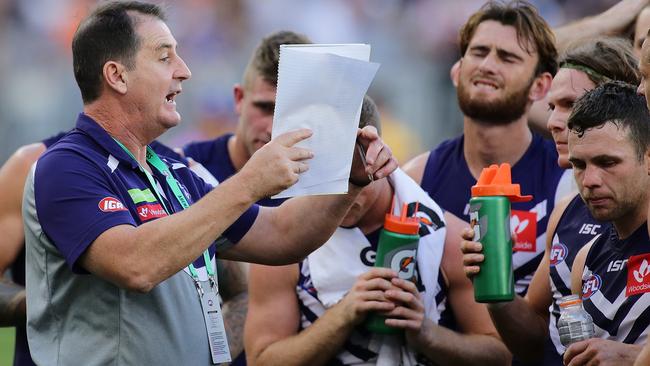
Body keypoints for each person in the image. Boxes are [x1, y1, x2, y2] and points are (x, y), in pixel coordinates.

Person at [22, 2, 397, 365]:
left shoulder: (174, 169)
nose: (184, 71)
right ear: (117, 75)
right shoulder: (65, 166)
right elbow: (136, 265)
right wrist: (249, 183)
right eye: (165, 57)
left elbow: (284, 234)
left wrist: (350, 180)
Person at [244, 96, 511, 366]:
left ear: (377, 158)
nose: (338, 194)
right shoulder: (283, 241)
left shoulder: (445, 236)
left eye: (350, 176)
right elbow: (261, 360)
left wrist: (427, 333)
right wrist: (342, 315)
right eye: (322, 177)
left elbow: (500, 355)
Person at [460, 37, 641, 365]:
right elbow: (539, 342)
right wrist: (496, 287)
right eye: (580, 165)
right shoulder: (571, 221)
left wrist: (636, 357)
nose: (557, 122)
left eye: (572, 105)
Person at [556, 82, 650, 365]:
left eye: (607, 162)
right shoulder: (584, 260)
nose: (590, 181)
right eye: (579, 165)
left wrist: (632, 358)